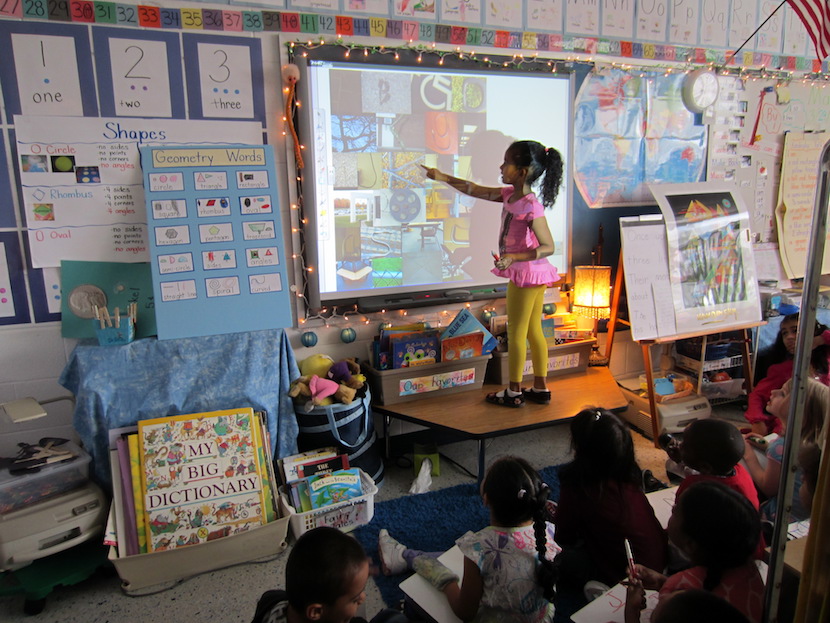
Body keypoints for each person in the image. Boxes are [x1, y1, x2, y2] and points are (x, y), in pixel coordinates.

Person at [422, 140, 563, 407]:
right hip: (530, 273)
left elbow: (548, 246)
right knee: (532, 330)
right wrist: (442, 177)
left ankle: (513, 391)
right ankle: (541, 388)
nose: (501, 166)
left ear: (522, 171)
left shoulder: (531, 206)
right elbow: (475, 189)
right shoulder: (511, 195)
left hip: (526, 274)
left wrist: (513, 257)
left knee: (517, 331)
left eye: (507, 163)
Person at [378, 455, 560, 622]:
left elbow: (465, 612)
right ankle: (405, 557)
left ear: (486, 499)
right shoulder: (548, 532)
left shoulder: (478, 546)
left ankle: (406, 567)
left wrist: (447, 583)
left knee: (415, 596)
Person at [553, 408, 668, 596]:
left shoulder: (578, 486)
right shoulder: (630, 476)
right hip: (658, 564)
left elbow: (563, 535)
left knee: (551, 553)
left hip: (624, 575)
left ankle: (604, 588)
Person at [624, 481, 765, 623]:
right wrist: (662, 582)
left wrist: (632, 611)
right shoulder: (752, 574)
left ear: (691, 544)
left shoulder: (674, 601)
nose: (672, 510)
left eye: (675, 509)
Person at [251, 526, 406, 623]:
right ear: (316, 612)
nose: (363, 598)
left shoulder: (272, 602)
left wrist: (355, 577)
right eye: (354, 598)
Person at [742, 376, 828, 525]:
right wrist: (767, 446)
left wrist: (748, 454)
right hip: (807, 517)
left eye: (782, 393)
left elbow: (768, 487)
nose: (773, 392)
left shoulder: (781, 446)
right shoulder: (812, 441)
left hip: (781, 519)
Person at [745, 313, 830, 435]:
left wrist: (819, 340)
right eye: (784, 333)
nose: (789, 337)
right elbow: (756, 396)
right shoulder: (783, 370)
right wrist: (757, 421)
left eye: (795, 331)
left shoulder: (826, 358)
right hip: (793, 431)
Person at [672, 418, 759, 510]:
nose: (680, 445)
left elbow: (678, 513)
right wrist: (681, 461)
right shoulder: (739, 470)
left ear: (705, 467)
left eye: (685, 446)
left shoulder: (692, 487)